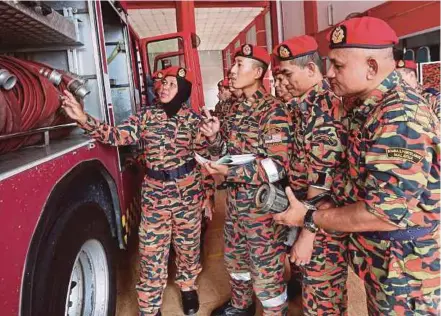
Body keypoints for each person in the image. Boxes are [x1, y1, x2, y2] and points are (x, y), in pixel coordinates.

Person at [274, 17, 440, 315]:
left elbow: (384, 212)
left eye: (338, 65)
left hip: (407, 271)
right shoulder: (365, 107)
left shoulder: (399, 119)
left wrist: (311, 219)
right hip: (384, 261)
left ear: (372, 67)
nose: (329, 73)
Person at [61, 66, 210, 316]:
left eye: (171, 84)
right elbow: (115, 136)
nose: (163, 87)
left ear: (183, 90)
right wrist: (83, 118)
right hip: (154, 195)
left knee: (188, 247)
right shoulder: (145, 117)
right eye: (161, 83)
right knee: (151, 252)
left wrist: (209, 195)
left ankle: (187, 286)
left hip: (188, 193)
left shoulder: (194, 121)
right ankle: (150, 308)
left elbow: (208, 159)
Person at [201, 44, 292, 316]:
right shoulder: (234, 109)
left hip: (261, 208)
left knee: (266, 270)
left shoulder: (273, 110)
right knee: (236, 261)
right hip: (235, 204)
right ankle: (241, 307)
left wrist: (231, 173)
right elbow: (227, 154)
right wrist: (214, 138)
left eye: (240, 64)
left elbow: (278, 166)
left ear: (257, 72)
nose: (232, 69)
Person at [273, 35, 348, 315]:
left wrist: (307, 235)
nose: (283, 81)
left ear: (311, 70)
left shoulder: (324, 112)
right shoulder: (303, 108)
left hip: (321, 225)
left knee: (322, 303)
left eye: (287, 73)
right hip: (305, 215)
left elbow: (323, 184)